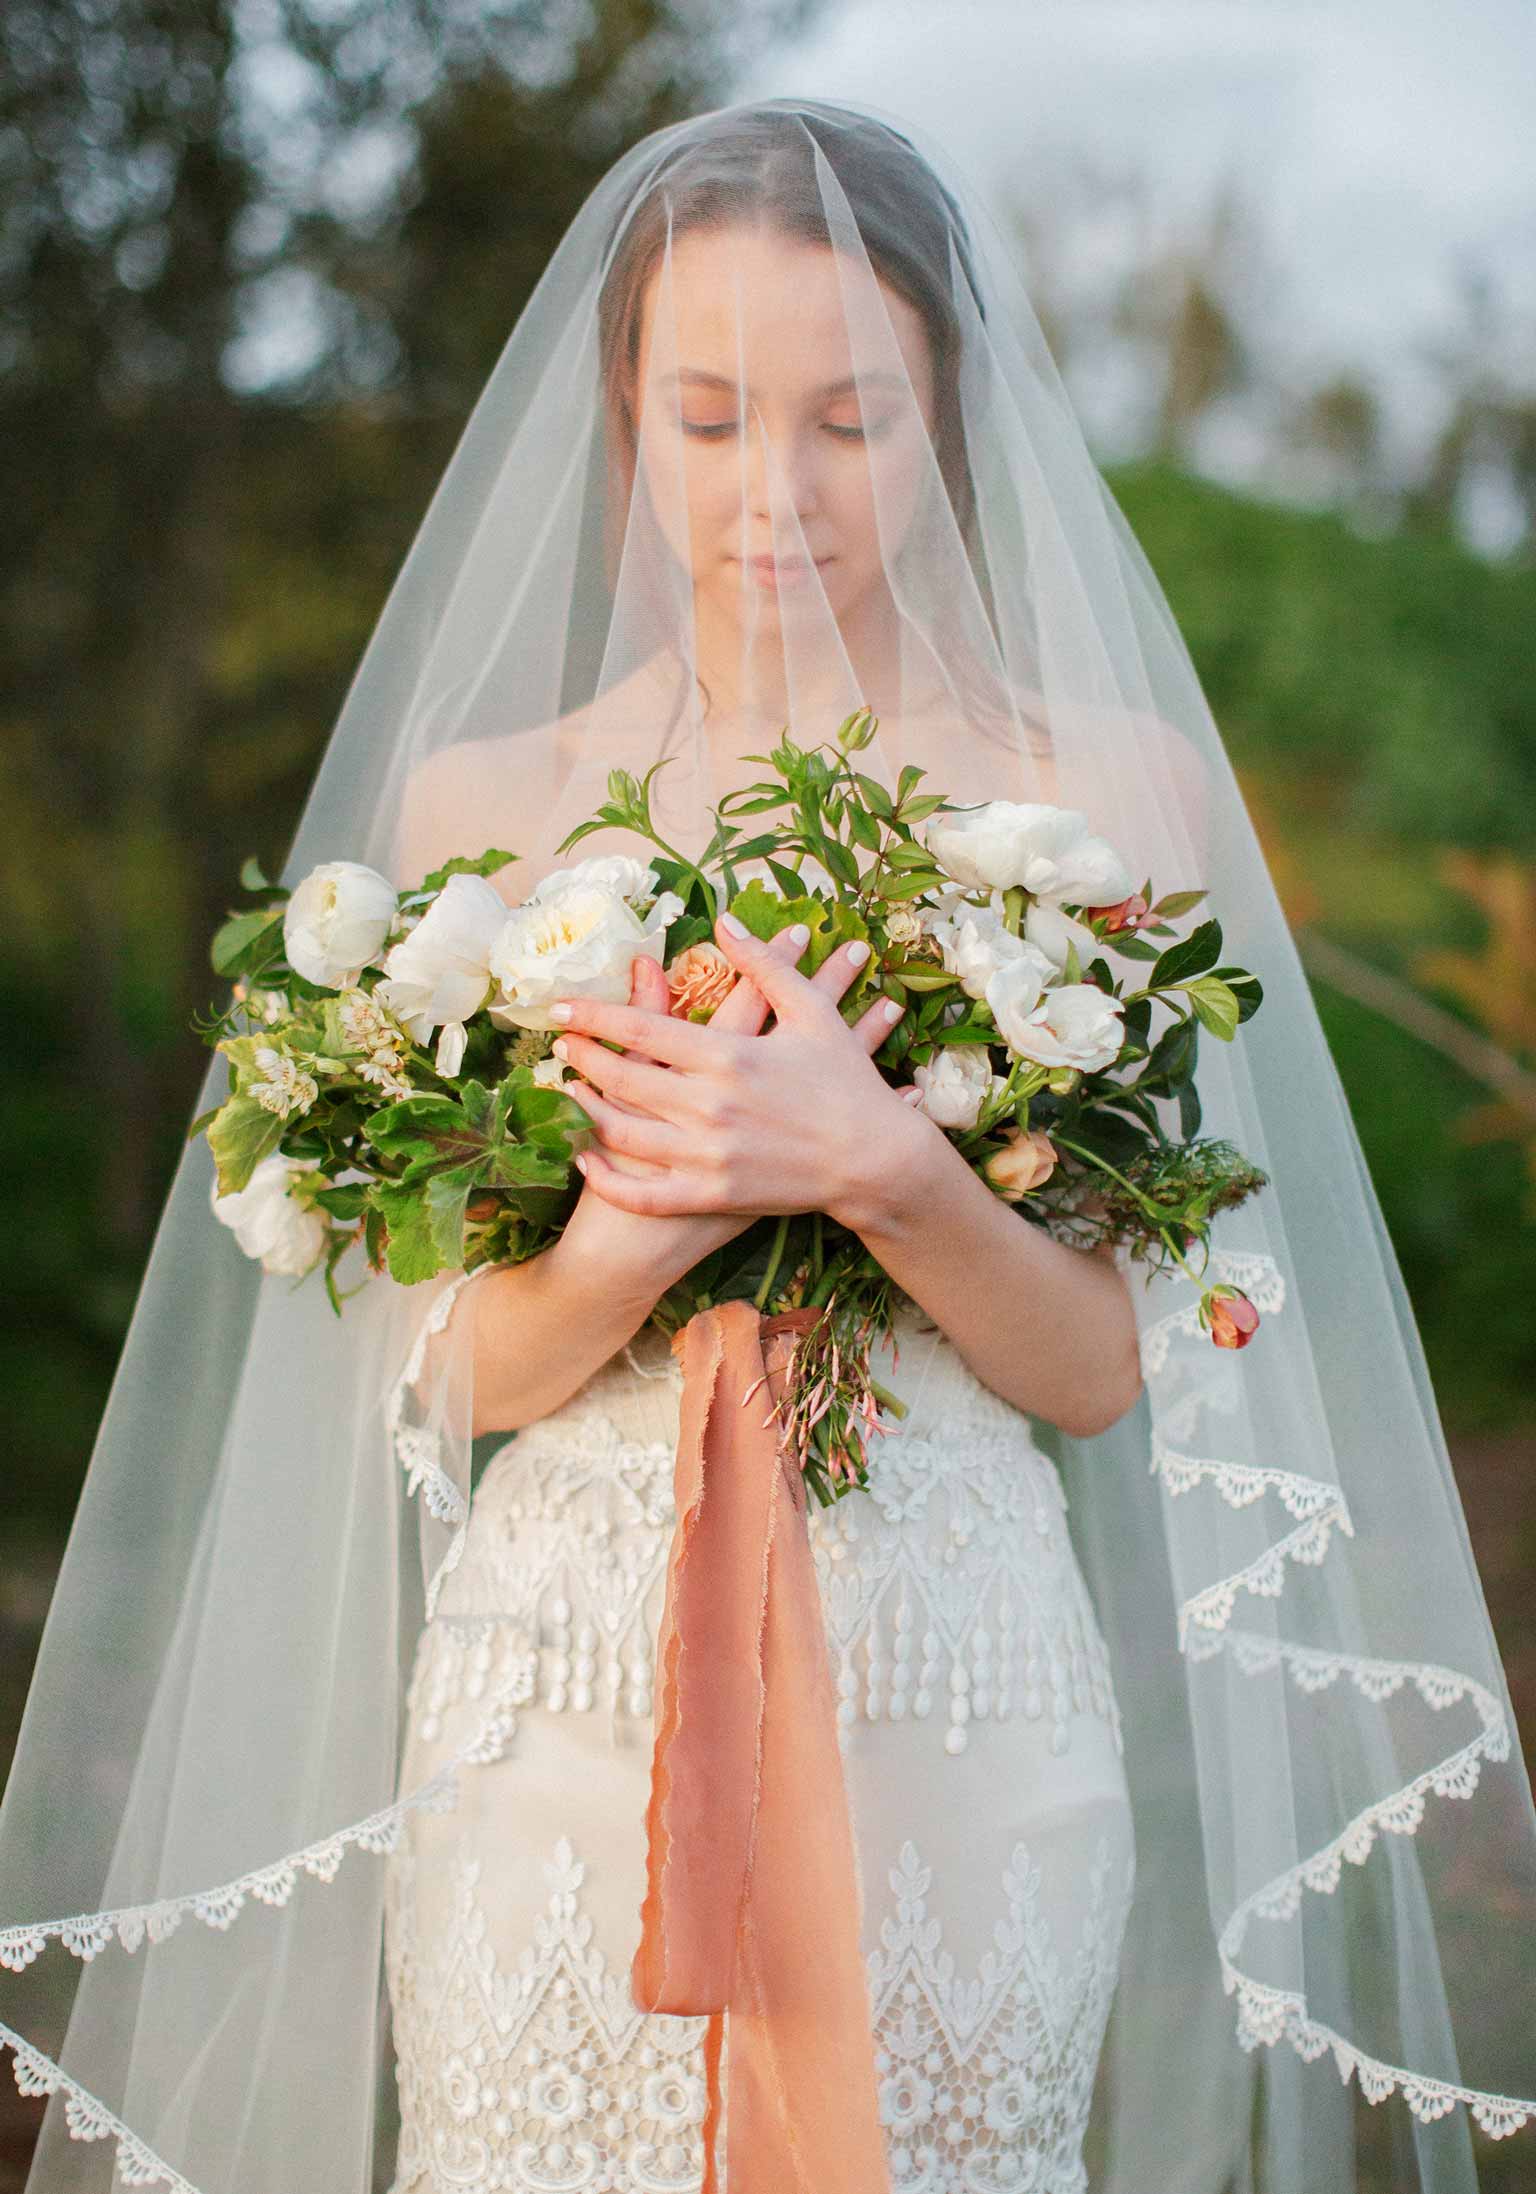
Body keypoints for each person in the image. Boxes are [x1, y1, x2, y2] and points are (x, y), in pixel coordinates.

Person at [1, 96, 1532, 2194]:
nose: (777, 492)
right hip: (558, 1701)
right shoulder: (483, 816)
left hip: (965, 1686)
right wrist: (640, 1218)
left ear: (951, 416)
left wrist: (881, 1164)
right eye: (710, 417)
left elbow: (1106, 1367)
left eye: (853, 418)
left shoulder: (1109, 795)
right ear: (623, 415)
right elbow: (447, 1379)